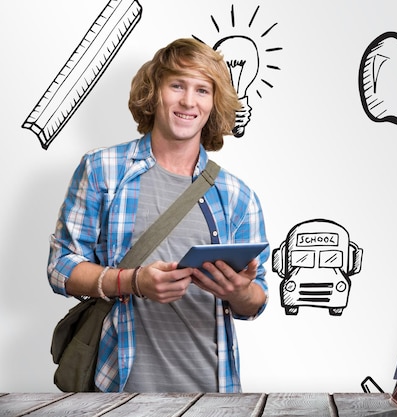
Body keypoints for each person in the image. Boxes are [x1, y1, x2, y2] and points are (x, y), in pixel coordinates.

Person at [47, 38, 269, 393]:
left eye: (202, 90)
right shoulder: (103, 169)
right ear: (154, 92)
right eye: (177, 85)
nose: (188, 101)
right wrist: (133, 282)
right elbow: (60, 268)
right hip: (117, 389)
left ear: (214, 104)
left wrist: (239, 291)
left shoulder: (237, 195)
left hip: (212, 393)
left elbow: (257, 300)